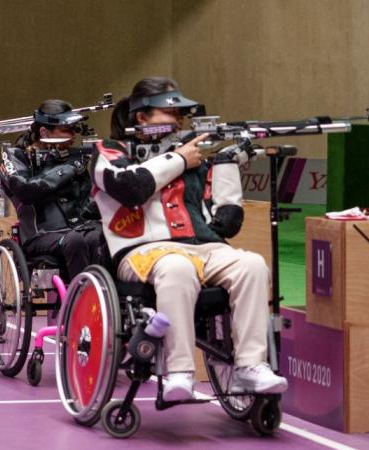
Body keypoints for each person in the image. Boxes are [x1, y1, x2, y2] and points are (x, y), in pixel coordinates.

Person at [91, 77, 287, 401]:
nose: (180, 121)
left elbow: (225, 222)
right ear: (142, 117)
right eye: (172, 113)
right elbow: (130, 188)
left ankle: (251, 366)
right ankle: (179, 372)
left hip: (204, 246)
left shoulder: (196, 155)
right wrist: (179, 159)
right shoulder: (108, 152)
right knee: (176, 267)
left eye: (183, 115)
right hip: (142, 252)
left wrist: (225, 165)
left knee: (252, 264)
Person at [0, 99, 105, 279]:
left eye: (74, 129)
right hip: (38, 235)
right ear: (44, 132)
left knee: (100, 236)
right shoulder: (17, 156)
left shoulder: (73, 157)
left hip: (78, 228)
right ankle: (81, 299)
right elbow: (26, 191)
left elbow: (86, 204)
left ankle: (107, 297)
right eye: (66, 130)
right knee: (75, 240)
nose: (73, 135)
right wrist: (69, 167)